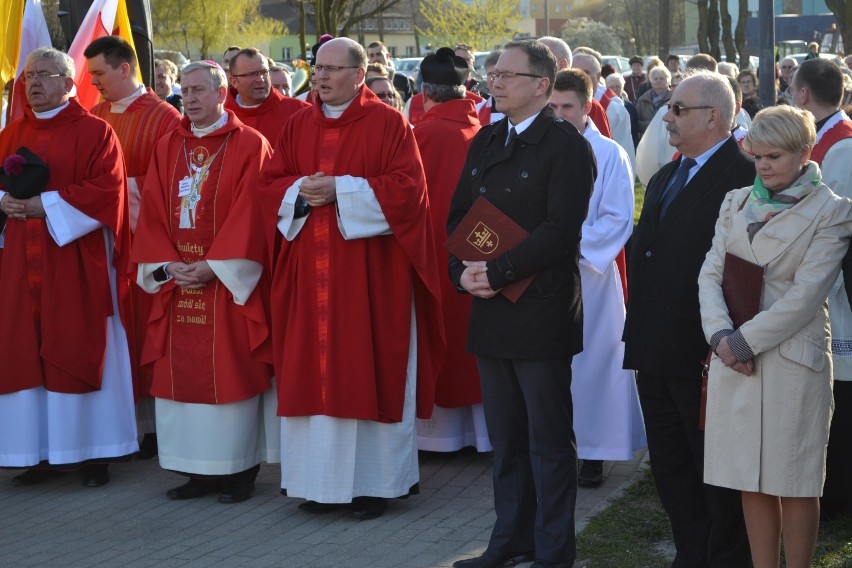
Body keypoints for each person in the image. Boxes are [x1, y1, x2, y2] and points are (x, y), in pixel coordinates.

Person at [259, 37, 445, 520]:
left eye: (332, 69)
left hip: (371, 277)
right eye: (316, 68)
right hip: (308, 276)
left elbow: (409, 191)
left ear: (359, 75)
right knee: (311, 371)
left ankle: (374, 487)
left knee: (369, 368)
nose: (320, 77)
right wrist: (301, 189)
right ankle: (314, 485)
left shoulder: (388, 123)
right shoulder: (297, 123)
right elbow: (268, 185)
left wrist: (341, 190)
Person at [448, 39, 595, 568]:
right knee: (505, 440)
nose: (495, 80)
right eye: (493, 72)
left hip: (540, 308)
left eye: (508, 74)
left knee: (549, 443)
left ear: (541, 85)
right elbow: (460, 214)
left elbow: (562, 229)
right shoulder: (486, 139)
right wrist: (463, 274)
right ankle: (510, 540)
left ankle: (554, 552)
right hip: (491, 306)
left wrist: (500, 270)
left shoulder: (567, 145)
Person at [698, 104, 852, 568]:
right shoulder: (736, 200)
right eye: (757, 156)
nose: (764, 166)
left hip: (791, 360)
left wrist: (741, 342)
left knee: (795, 480)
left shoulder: (833, 211)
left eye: (775, 157)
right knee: (750, 477)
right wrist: (721, 336)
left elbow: (806, 296)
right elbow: (709, 275)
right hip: (732, 358)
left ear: (804, 152)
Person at [622, 70, 754, 567]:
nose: (667, 116)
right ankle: (690, 553)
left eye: (678, 108)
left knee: (713, 469)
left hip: (706, 352)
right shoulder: (667, 173)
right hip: (654, 346)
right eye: (669, 107)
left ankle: (724, 557)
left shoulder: (743, 175)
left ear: (713, 117)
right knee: (671, 466)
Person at [132, 60, 278, 503]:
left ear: (221, 94)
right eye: (184, 89)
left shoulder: (250, 144)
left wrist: (215, 266)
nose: (189, 98)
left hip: (227, 284)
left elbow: (254, 212)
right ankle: (195, 471)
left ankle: (239, 472)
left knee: (230, 373)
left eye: (198, 90)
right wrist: (166, 265)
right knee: (182, 379)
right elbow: (154, 210)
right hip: (178, 279)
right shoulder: (167, 146)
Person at [0, 47, 138, 487]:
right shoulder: (9, 134)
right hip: (20, 263)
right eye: (28, 77)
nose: (34, 83)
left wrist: (47, 204)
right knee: (24, 348)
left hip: (75, 260)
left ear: (68, 82)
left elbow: (108, 190)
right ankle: (37, 452)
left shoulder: (96, 132)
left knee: (78, 343)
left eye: (44, 75)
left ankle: (93, 453)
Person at [85, 36, 181, 458]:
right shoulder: (95, 115)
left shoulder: (163, 117)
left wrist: (113, 194)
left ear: (125, 69)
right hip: (105, 243)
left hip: (147, 242)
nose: (94, 83)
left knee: (149, 330)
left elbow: (172, 180)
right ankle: (124, 421)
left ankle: (155, 426)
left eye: (100, 74)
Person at [548, 68, 645, 488]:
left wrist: (564, 245)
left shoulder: (609, 154)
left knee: (594, 365)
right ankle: (553, 449)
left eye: (567, 106)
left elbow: (618, 218)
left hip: (590, 278)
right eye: (552, 106)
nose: (558, 114)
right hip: (542, 276)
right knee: (550, 366)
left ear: (588, 107)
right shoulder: (539, 148)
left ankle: (594, 452)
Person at [411, 47, 487, 452]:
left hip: (433, 253)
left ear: (426, 92)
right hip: (475, 251)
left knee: (440, 336)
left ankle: (439, 439)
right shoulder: (481, 130)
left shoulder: (422, 133)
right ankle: (480, 434)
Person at [791, 58, 852, 519]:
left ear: (804, 95)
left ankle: (837, 493)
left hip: (835, 288)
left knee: (842, 392)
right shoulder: (830, 138)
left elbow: (832, 223)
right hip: (821, 286)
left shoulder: (841, 145)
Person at [224, 47, 309, 145]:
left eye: (264, 72)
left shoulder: (300, 112)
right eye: (251, 74)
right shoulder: (220, 116)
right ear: (234, 81)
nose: (260, 79)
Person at [572, 49, 636, 174]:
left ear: (597, 76)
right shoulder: (557, 104)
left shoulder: (614, 109)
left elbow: (624, 153)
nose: (579, 77)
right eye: (574, 71)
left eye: (585, 72)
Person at [636, 65, 672, 135]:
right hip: (648, 137)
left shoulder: (674, 99)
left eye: (661, 78)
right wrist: (653, 125)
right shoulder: (642, 100)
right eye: (655, 79)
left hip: (669, 138)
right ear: (651, 81)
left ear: (668, 81)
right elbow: (637, 122)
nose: (658, 81)